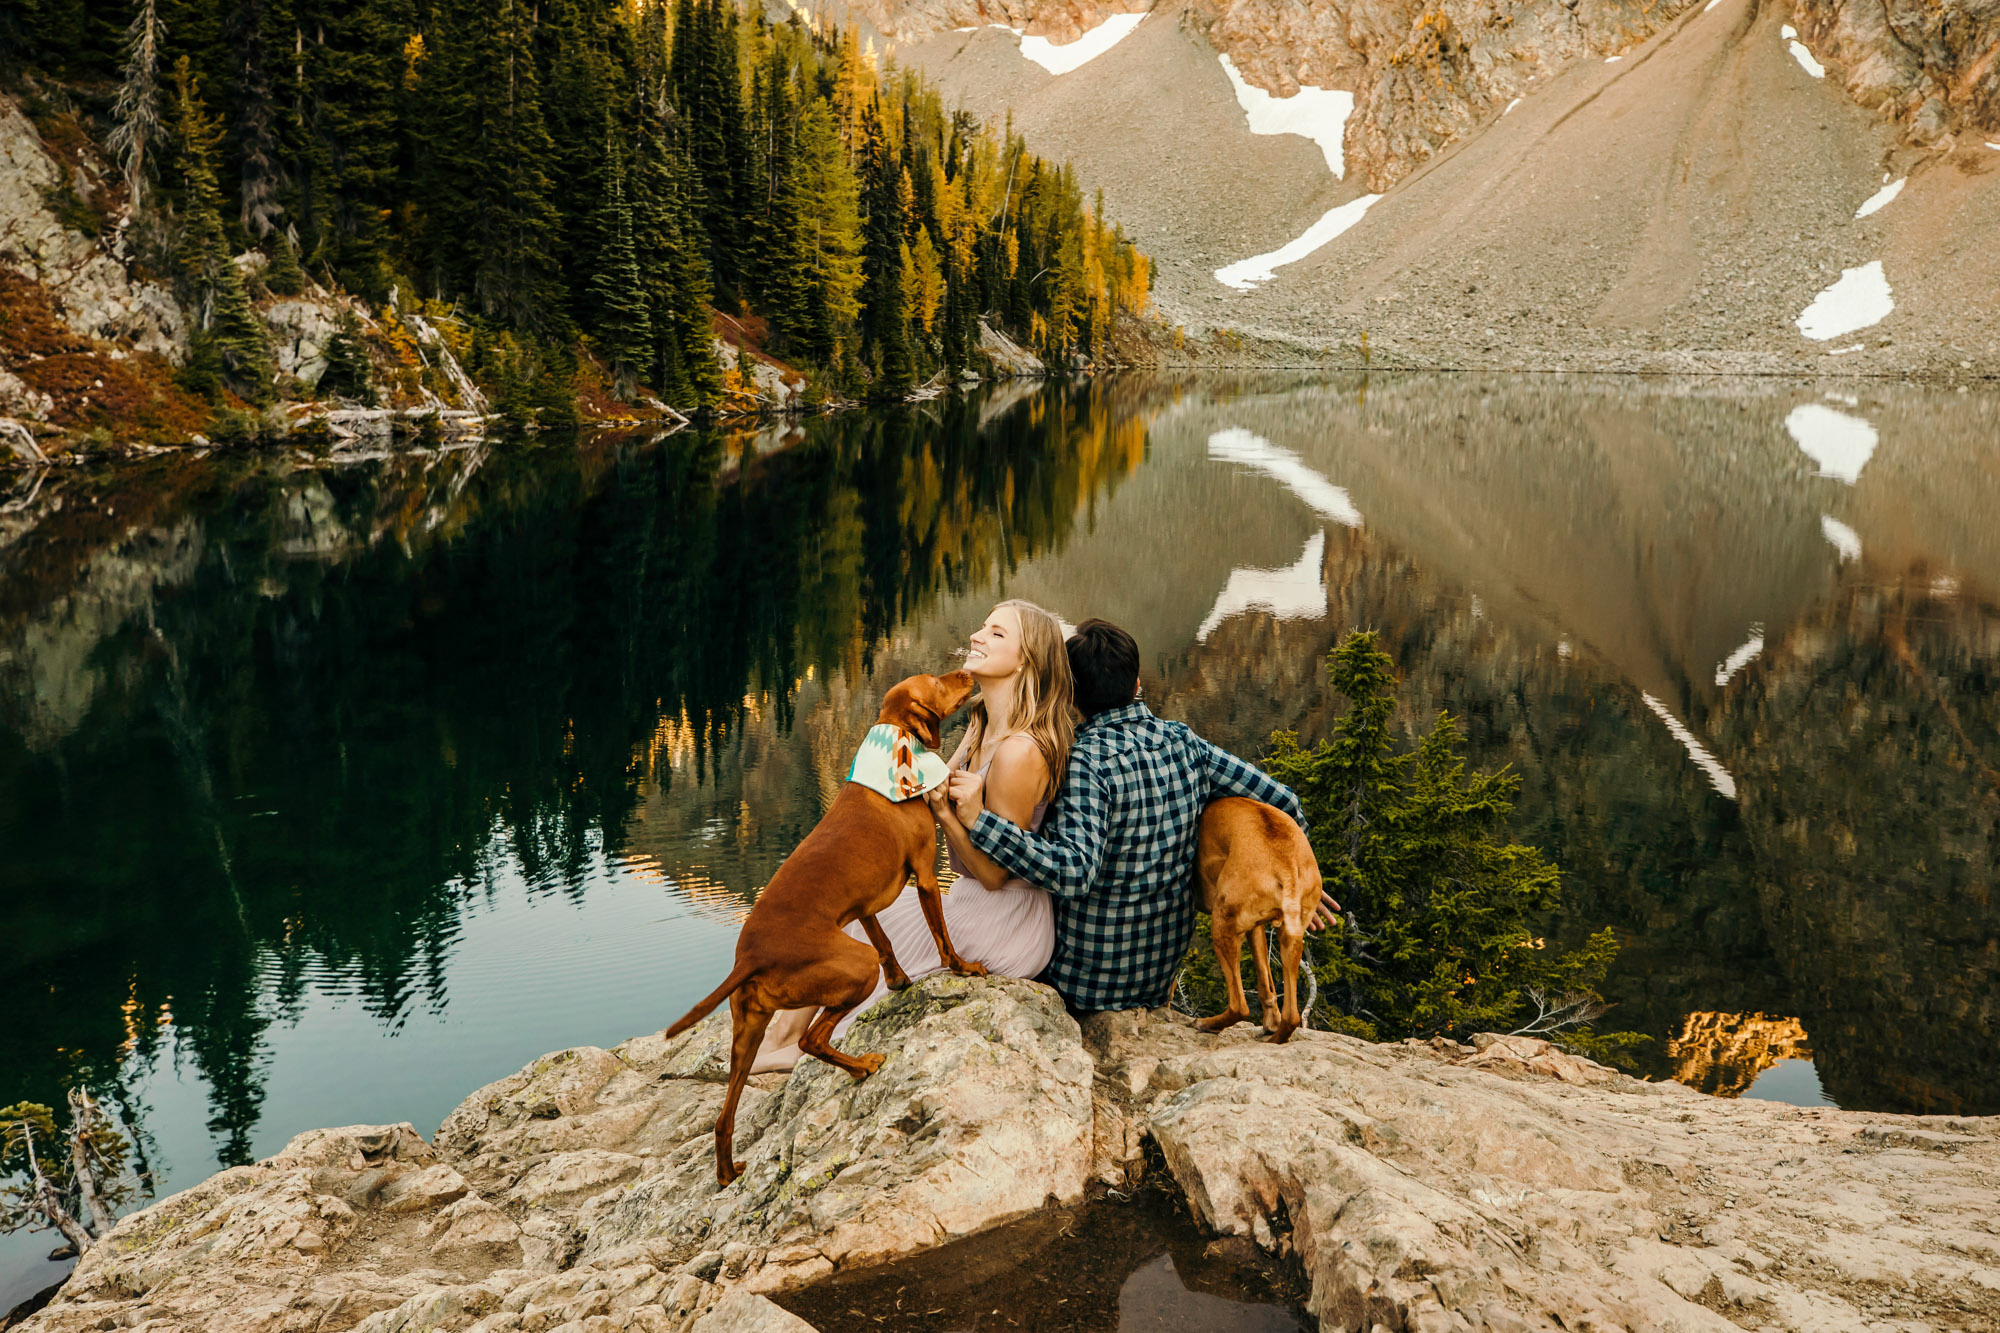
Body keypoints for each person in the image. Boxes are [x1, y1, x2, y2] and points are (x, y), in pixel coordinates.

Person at [751, 599, 1074, 1073]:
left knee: (861, 971)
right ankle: (772, 1042)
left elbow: (993, 875)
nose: (977, 637)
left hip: (1004, 917)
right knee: (840, 921)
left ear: (1027, 660)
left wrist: (945, 811)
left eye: (997, 634)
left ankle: (778, 1060)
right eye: (982, 626)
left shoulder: (1020, 752)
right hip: (965, 898)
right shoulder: (980, 724)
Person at [937, 618, 1319, 1015]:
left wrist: (982, 820)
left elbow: (1073, 872)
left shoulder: (1085, 761)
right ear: (1137, 683)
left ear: (1069, 697)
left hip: (1083, 983)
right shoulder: (1185, 743)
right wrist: (1295, 876)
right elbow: (1285, 803)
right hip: (1157, 978)